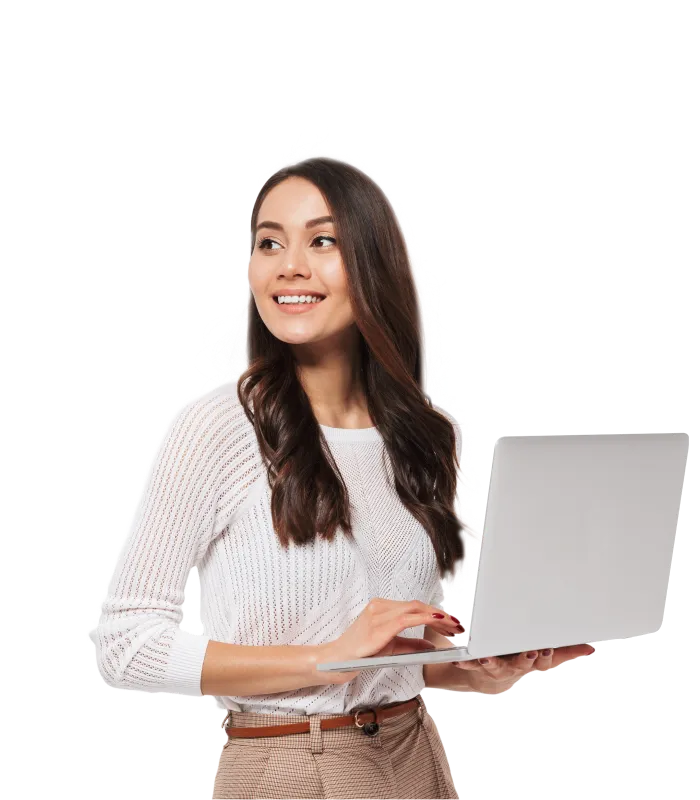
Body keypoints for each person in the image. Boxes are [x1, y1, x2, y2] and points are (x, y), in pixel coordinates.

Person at [88, 156, 593, 799]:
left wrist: (474, 669)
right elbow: (126, 645)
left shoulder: (418, 435)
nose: (288, 265)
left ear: (373, 263)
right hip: (287, 769)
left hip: (415, 761)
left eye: (322, 240)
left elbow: (379, 663)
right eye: (268, 242)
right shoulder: (222, 428)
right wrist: (327, 656)